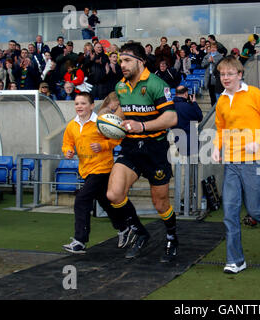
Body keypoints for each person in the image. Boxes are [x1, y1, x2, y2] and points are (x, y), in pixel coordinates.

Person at [106, 42, 179, 261]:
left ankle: (172, 236)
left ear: (140, 61)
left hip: (155, 150)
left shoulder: (156, 84)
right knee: (114, 194)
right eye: (120, 61)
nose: (122, 65)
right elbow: (124, 109)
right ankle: (140, 232)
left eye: (127, 61)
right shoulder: (120, 86)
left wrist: (143, 126)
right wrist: (110, 122)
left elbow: (171, 118)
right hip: (130, 148)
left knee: (160, 203)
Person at [212, 56, 260, 274]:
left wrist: (258, 141)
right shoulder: (221, 100)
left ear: (239, 74)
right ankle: (236, 260)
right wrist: (216, 147)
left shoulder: (254, 94)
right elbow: (221, 128)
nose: (226, 77)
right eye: (222, 74)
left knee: (254, 208)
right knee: (229, 212)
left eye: (230, 73)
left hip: (254, 159)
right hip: (231, 161)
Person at [61, 92, 129, 253]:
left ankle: (80, 241)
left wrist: (103, 146)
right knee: (106, 202)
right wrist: (68, 151)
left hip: (102, 168)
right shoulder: (72, 125)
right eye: (77, 103)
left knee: (81, 200)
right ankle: (124, 228)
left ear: (92, 106)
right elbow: (67, 143)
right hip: (86, 170)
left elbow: (117, 138)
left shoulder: (101, 122)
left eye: (83, 103)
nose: (79, 106)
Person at [172, 85, 203, 157]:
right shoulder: (189, 106)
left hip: (177, 139)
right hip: (190, 140)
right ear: (186, 94)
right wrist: (194, 103)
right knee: (192, 164)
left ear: (176, 94)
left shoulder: (170, 106)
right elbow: (200, 117)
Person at [201, 42, 223, 106]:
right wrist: (208, 61)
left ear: (216, 49)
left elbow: (221, 66)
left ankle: (218, 107)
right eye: (211, 48)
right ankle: (212, 108)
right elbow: (202, 65)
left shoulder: (220, 56)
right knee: (211, 95)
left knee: (217, 94)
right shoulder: (206, 56)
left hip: (216, 78)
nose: (213, 49)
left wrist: (214, 61)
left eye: (214, 48)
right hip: (209, 77)